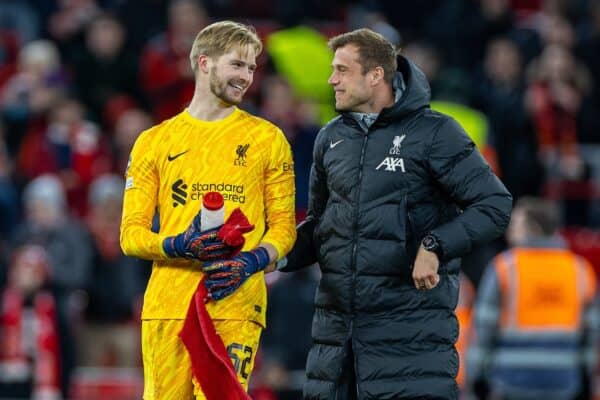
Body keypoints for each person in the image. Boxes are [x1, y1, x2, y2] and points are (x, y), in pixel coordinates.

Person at [280, 28, 513, 399]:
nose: (331, 80)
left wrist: (434, 246)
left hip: (410, 354)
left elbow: (495, 205)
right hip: (336, 355)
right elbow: (321, 229)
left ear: (375, 76)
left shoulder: (436, 133)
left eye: (342, 70)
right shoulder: (330, 139)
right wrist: (271, 253)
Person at [120, 21, 296, 399]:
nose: (246, 77)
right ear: (205, 62)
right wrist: (179, 245)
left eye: (251, 68)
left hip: (235, 304)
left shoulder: (268, 139)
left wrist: (250, 262)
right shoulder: (154, 142)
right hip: (169, 306)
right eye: (237, 65)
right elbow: (130, 236)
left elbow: (284, 228)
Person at [466, 197, 599, 399]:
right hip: (563, 380)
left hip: (510, 379)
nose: (509, 231)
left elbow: (483, 329)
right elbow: (591, 333)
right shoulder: (579, 270)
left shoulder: (504, 267)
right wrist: (586, 377)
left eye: (516, 224)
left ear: (534, 228)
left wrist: (475, 378)